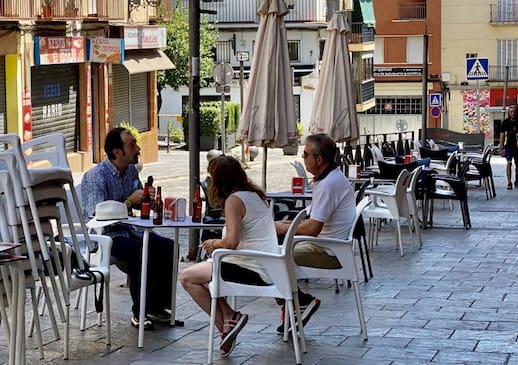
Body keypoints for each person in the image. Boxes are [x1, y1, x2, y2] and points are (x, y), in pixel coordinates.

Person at [180, 155, 277, 357]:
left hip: (250, 266)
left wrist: (214, 243)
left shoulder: (234, 200)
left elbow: (231, 241)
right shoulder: (256, 196)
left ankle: (226, 325)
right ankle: (229, 320)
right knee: (205, 277)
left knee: (188, 278)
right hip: (267, 264)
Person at [79, 127, 175, 330]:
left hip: (132, 230)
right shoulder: (97, 176)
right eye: (132, 145)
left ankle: (156, 307)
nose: (138, 148)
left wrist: (145, 198)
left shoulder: (131, 170)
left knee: (167, 246)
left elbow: (138, 200)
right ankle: (139, 312)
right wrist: (128, 203)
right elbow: (96, 216)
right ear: (117, 152)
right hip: (106, 236)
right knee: (140, 251)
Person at [274, 134, 356, 335]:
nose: (303, 157)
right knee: (272, 256)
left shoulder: (328, 185)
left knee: (271, 262)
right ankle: (296, 305)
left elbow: (312, 228)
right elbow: (310, 219)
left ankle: (300, 303)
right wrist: (282, 224)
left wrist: (282, 228)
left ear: (319, 160)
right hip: (327, 246)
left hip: (329, 252)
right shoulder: (329, 179)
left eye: (305, 154)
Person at [499, 105, 518, 190]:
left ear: (517, 112)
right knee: (509, 163)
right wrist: (501, 147)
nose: (513, 114)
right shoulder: (505, 122)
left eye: (515, 112)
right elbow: (502, 135)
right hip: (508, 145)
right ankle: (509, 182)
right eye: (511, 112)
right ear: (509, 113)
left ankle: (516, 180)